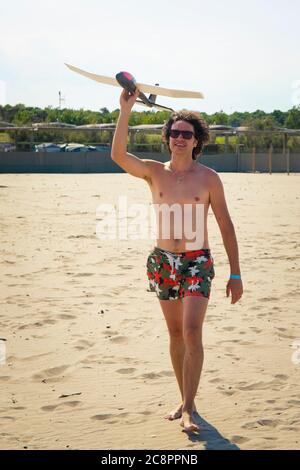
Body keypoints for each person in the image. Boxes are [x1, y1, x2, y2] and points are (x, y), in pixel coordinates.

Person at [111, 88, 243, 433]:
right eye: (175, 132)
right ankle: (188, 401)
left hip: (198, 260)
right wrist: (125, 109)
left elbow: (225, 224)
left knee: (192, 330)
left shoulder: (209, 178)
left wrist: (236, 273)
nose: (180, 138)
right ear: (167, 137)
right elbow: (119, 154)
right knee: (174, 334)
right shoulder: (154, 172)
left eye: (187, 133)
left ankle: (187, 410)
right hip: (162, 262)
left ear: (197, 140)